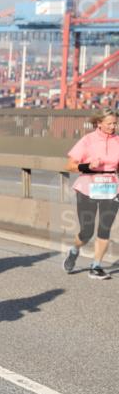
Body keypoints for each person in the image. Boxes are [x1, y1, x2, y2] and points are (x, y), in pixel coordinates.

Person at [62, 107, 119, 279]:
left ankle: (96, 266)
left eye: (115, 123)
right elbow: (69, 165)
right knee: (86, 232)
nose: (113, 127)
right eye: (109, 123)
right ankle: (74, 250)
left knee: (105, 228)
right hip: (88, 187)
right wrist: (88, 166)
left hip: (111, 188)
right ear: (99, 123)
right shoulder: (87, 140)